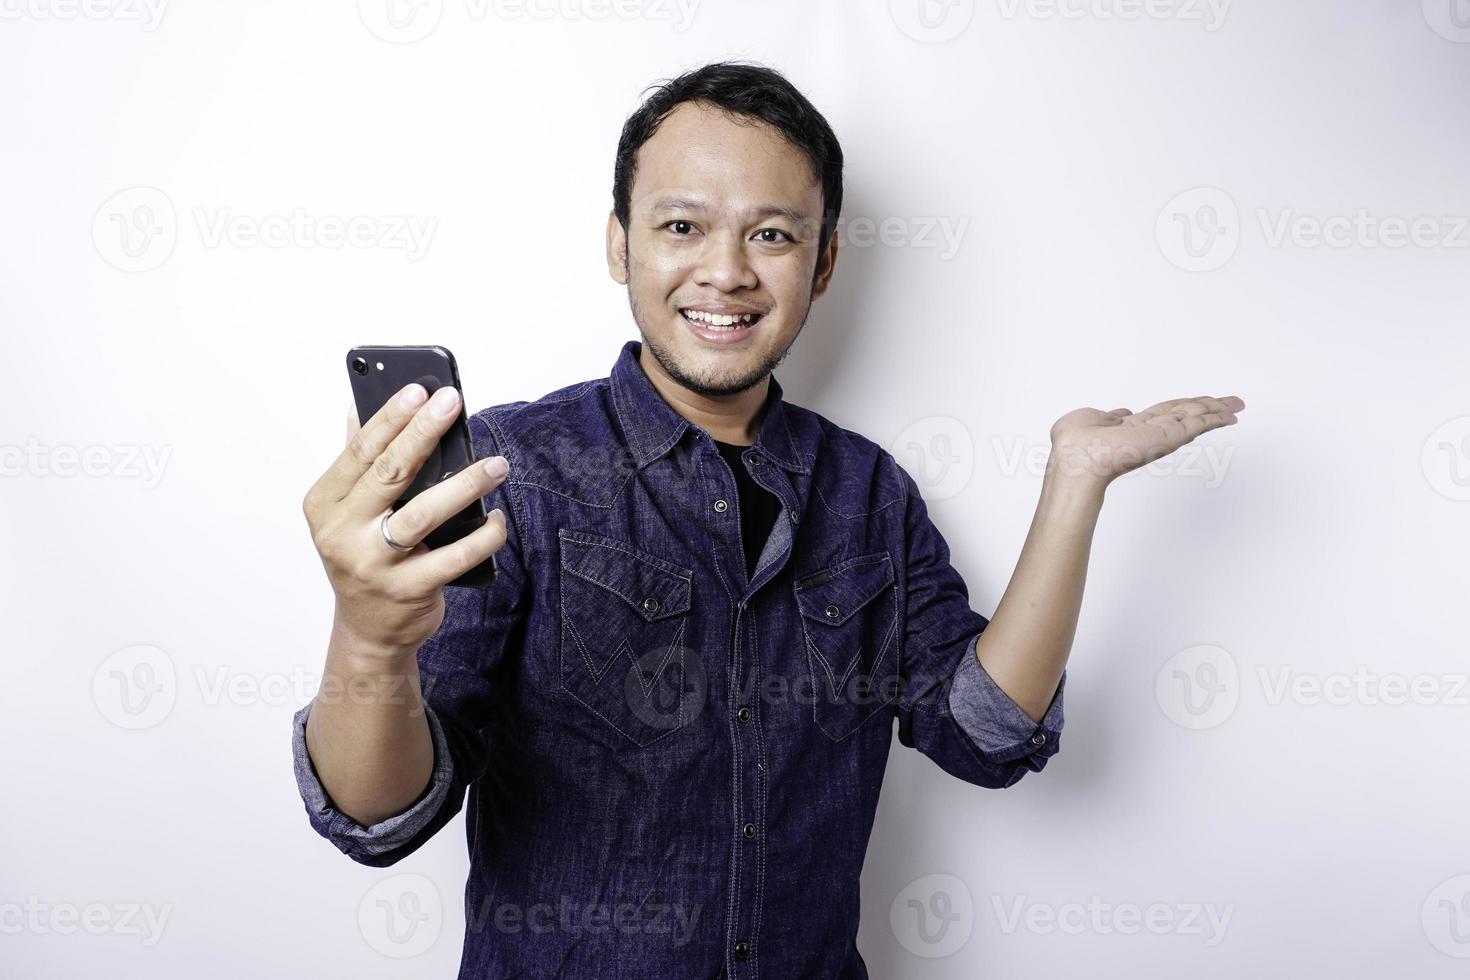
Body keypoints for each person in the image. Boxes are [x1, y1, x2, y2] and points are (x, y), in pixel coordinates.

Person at [293, 60, 1245, 979]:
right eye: (682, 225)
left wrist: (1075, 483)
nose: (726, 272)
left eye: (773, 236)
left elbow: (986, 735)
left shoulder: (870, 493)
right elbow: (382, 817)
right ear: (620, 242)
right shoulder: (511, 474)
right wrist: (369, 639)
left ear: (823, 261)